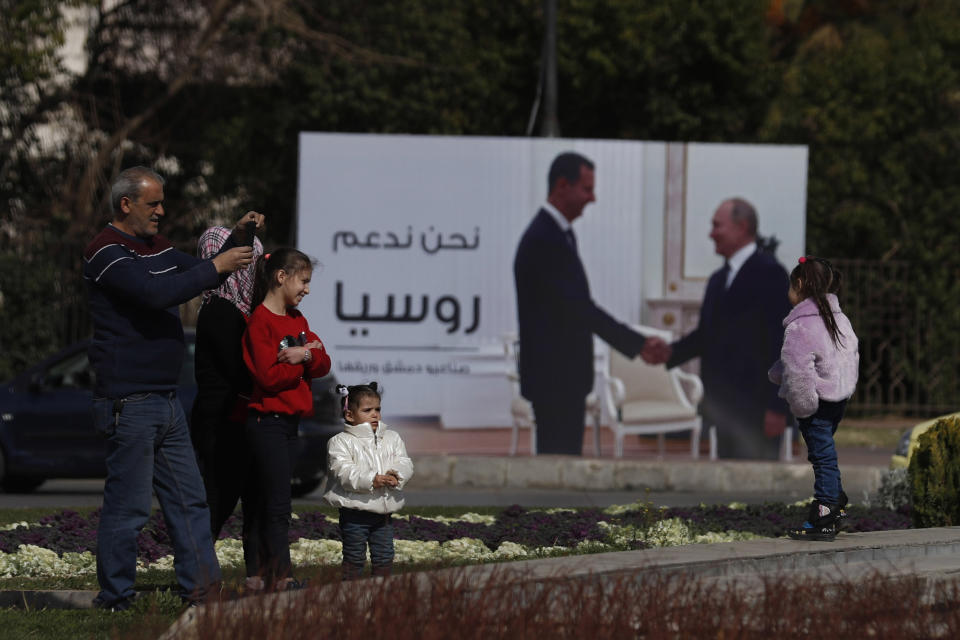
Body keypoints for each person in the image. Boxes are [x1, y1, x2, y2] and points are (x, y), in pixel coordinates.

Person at [83, 166, 260, 610]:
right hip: (129, 399)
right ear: (126, 204)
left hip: (165, 399)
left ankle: (203, 593)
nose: (162, 211)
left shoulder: (156, 247)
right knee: (129, 509)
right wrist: (215, 265)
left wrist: (237, 237)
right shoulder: (106, 252)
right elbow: (153, 293)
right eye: (153, 203)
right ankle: (116, 598)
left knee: (190, 501)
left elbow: (204, 272)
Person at [513, 151, 664, 456]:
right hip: (555, 381)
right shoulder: (546, 239)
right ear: (562, 186)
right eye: (587, 189)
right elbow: (580, 309)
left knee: (562, 469)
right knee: (558, 471)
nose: (592, 198)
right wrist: (637, 343)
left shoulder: (557, 233)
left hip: (560, 380)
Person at [651, 198, 792, 460]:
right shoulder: (718, 280)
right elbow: (707, 335)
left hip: (757, 409)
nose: (711, 233)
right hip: (723, 407)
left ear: (741, 227)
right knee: (727, 493)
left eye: (717, 226)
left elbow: (782, 343)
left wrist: (777, 407)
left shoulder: (771, 274)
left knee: (756, 494)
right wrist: (669, 352)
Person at [242, 248, 331, 589]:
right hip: (267, 423)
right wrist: (303, 362)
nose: (306, 289)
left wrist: (303, 355)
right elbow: (267, 377)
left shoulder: (297, 321)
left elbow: (324, 363)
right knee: (274, 502)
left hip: (290, 423)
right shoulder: (260, 322)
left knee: (275, 499)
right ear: (282, 277)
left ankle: (262, 575)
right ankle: (279, 576)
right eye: (303, 281)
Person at [191, 225, 265, 588]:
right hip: (221, 422)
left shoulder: (244, 308)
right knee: (218, 499)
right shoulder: (220, 309)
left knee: (251, 496)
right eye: (238, 255)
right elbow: (239, 370)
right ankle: (197, 578)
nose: (246, 265)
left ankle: (258, 577)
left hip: (237, 419)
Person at [769, 257, 859, 541]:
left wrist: (803, 408)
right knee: (826, 455)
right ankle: (837, 506)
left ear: (798, 284)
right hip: (837, 399)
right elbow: (848, 357)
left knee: (822, 458)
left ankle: (824, 513)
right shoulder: (839, 319)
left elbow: (798, 375)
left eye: (789, 286)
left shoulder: (799, 327)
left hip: (816, 404)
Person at [323, 382, 413, 580]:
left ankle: (381, 593)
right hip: (355, 513)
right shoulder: (340, 441)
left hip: (383, 513)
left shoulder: (391, 437)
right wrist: (372, 480)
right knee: (355, 557)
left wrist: (397, 475)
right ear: (349, 415)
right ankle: (351, 594)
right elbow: (343, 471)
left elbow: (404, 461)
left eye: (378, 409)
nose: (375, 414)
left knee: (384, 556)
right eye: (367, 410)